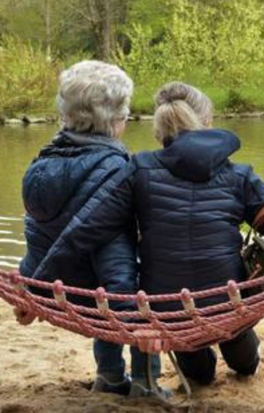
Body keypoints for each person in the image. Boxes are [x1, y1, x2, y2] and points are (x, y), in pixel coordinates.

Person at [32, 82, 264, 386]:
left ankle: (207, 357)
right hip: (229, 303)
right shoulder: (239, 175)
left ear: (160, 129)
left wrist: (36, 288)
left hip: (168, 313)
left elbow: (85, 230)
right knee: (241, 350)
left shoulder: (138, 169)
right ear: (207, 123)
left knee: (200, 374)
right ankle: (242, 354)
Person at [16, 60, 161, 397]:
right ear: (115, 120)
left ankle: (109, 376)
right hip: (103, 292)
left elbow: (39, 235)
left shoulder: (40, 163)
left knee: (105, 287)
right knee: (146, 282)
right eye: (125, 113)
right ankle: (146, 383)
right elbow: (116, 255)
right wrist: (131, 319)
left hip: (61, 287)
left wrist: (31, 286)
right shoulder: (116, 169)